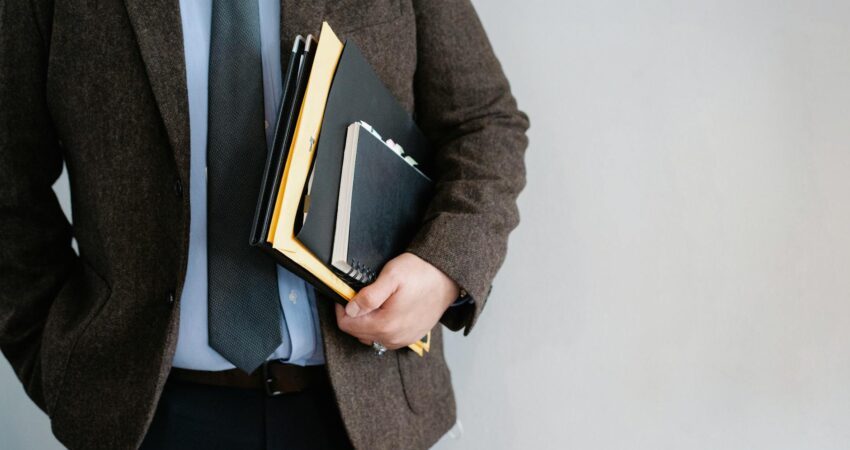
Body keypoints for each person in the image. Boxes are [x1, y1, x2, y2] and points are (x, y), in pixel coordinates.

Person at [0, 0, 529, 448]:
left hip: (371, 407)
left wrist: (444, 266)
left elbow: (483, 122)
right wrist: (58, 368)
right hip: (145, 416)